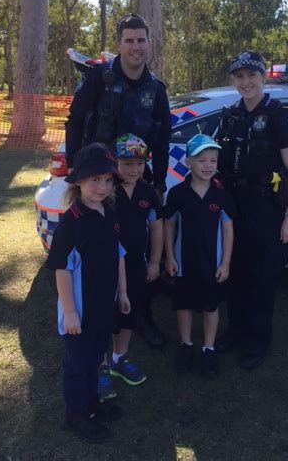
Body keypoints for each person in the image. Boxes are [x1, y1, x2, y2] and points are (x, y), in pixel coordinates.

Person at [65, 12, 171, 347]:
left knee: (137, 254)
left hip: (138, 183)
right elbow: (75, 122)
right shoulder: (99, 78)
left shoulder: (156, 88)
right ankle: (91, 316)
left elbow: (163, 139)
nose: (136, 47)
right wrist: (74, 173)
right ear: (119, 44)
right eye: (129, 40)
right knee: (97, 251)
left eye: (141, 40)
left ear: (149, 43)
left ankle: (142, 316)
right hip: (99, 186)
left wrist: (159, 184)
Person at [215, 50, 288, 370]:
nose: (246, 82)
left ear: (263, 78)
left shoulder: (278, 115)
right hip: (234, 205)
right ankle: (235, 331)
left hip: (265, 205)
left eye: (252, 75)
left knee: (261, 279)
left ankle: (258, 341)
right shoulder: (229, 115)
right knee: (235, 274)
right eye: (240, 76)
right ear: (234, 80)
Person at [46, 142, 130, 442]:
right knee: (77, 363)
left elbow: (118, 254)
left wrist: (122, 293)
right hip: (78, 313)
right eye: (95, 179)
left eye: (108, 180)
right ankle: (76, 414)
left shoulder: (108, 214)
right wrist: (69, 312)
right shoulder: (72, 222)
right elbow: (61, 269)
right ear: (78, 181)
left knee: (96, 357)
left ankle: (93, 403)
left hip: (102, 307)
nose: (102, 187)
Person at [97, 134, 164, 394]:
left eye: (139, 163)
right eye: (127, 164)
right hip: (104, 266)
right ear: (115, 163)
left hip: (137, 264)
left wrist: (155, 262)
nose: (134, 169)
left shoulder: (148, 191)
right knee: (103, 315)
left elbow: (156, 228)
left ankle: (119, 358)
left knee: (129, 312)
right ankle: (100, 365)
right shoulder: (105, 191)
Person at [164, 134, 234, 379]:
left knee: (210, 306)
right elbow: (169, 225)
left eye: (213, 160)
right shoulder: (177, 193)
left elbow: (227, 229)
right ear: (189, 162)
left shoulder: (221, 195)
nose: (208, 165)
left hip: (212, 265)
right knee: (184, 305)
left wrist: (225, 262)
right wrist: (170, 257)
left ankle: (208, 347)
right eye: (201, 160)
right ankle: (186, 345)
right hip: (184, 264)